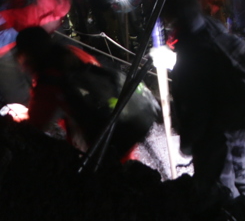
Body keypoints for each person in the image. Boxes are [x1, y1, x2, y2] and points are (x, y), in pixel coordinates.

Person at [161, 0, 245, 209]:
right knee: (242, 172)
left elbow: (194, 102)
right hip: (234, 118)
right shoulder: (209, 25)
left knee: (221, 188)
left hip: (215, 130)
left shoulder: (192, 47)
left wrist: (189, 142)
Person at [14, 26, 150, 162]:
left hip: (100, 131)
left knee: (110, 167)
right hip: (120, 115)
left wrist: (17, 120)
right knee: (126, 161)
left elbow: (37, 123)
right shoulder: (70, 51)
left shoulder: (48, 79)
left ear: (27, 55)